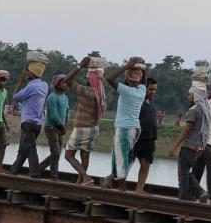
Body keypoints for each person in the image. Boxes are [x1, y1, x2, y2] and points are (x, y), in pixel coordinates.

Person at [104, 57, 148, 190]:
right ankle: (111, 179)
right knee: (126, 157)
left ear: (127, 79)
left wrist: (127, 66)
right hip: (135, 128)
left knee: (120, 158)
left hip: (124, 128)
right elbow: (144, 80)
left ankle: (121, 189)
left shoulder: (126, 91)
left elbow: (110, 78)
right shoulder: (142, 89)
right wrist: (141, 68)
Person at [62, 56, 106, 186]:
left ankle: (86, 178)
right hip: (94, 128)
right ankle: (80, 181)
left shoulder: (86, 91)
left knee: (68, 155)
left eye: (88, 77)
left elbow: (67, 80)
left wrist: (80, 65)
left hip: (82, 128)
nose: (86, 78)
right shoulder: (100, 93)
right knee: (85, 156)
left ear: (91, 79)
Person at [10, 56, 50, 178]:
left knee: (30, 148)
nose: (26, 73)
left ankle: (34, 173)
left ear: (31, 74)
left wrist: (21, 81)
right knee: (24, 148)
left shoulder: (31, 87)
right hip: (38, 123)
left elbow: (15, 96)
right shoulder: (44, 85)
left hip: (28, 122)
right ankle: (14, 170)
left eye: (28, 71)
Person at [39, 74, 69, 179]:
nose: (66, 84)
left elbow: (67, 112)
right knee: (55, 152)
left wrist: (65, 125)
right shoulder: (52, 97)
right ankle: (54, 174)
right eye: (63, 82)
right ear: (57, 84)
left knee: (57, 153)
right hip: (51, 127)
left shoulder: (65, 97)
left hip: (60, 128)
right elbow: (54, 115)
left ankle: (40, 168)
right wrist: (62, 126)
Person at [132, 78, 159, 194]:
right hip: (137, 137)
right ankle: (110, 179)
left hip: (149, 138)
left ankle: (139, 189)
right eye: (150, 89)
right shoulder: (137, 101)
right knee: (126, 162)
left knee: (146, 164)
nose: (152, 92)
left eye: (154, 90)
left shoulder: (151, 103)